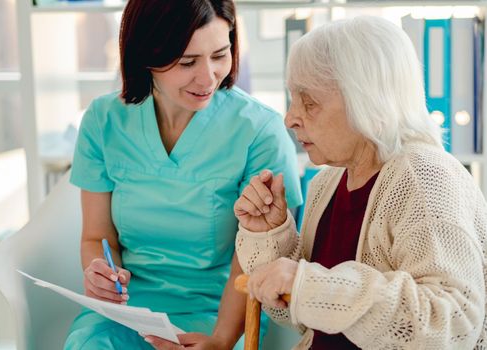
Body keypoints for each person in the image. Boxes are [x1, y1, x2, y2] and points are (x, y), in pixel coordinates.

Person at [234, 16, 487, 350]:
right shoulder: (328, 182)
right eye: (293, 99)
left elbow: (451, 322)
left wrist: (309, 285)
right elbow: (301, 316)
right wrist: (273, 233)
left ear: (368, 100)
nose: (290, 118)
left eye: (309, 102)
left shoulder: (426, 177)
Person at [64, 0, 303, 349]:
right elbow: (96, 236)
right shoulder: (103, 120)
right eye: (187, 62)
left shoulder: (259, 131)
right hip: (126, 309)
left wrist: (220, 340)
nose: (208, 78)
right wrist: (100, 272)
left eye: (220, 55)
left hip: (221, 311)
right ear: (146, 54)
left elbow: (260, 255)